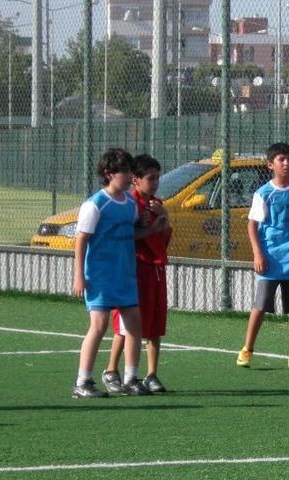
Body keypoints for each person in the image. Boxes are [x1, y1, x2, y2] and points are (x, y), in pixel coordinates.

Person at [71, 149, 165, 398]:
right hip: (100, 276)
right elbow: (81, 241)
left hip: (125, 275)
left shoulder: (130, 204)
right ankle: (83, 382)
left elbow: (131, 235)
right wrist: (79, 275)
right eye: (123, 171)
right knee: (99, 326)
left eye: (129, 170)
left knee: (134, 325)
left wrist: (153, 228)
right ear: (108, 174)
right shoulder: (95, 204)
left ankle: (131, 379)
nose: (128, 175)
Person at [237, 143, 289, 369]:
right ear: (270, 165)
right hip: (271, 259)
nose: (286, 163)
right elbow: (253, 225)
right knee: (261, 305)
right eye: (281, 159)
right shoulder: (264, 193)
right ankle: (247, 348)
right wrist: (257, 254)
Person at [102, 154, 173, 394]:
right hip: (135, 270)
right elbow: (128, 235)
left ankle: (151, 374)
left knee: (155, 323)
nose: (154, 183)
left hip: (156, 269)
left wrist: (165, 217)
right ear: (136, 180)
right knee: (128, 323)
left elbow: (163, 238)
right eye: (150, 178)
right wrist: (144, 226)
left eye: (157, 178)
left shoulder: (156, 204)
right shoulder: (129, 204)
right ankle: (112, 369)